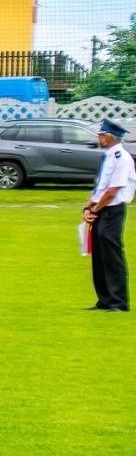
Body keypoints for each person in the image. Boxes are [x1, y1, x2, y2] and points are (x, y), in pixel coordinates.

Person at [83, 118, 132, 312]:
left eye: (101, 135)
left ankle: (118, 301)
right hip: (101, 209)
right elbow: (100, 187)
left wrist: (95, 210)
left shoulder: (122, 157)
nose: (99, 137)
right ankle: (104, 300)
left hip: (112, 211)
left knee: (112, 257)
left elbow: (112, 191)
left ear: (110, 137)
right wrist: (87, 208)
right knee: (100, 257)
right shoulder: (109, 156)